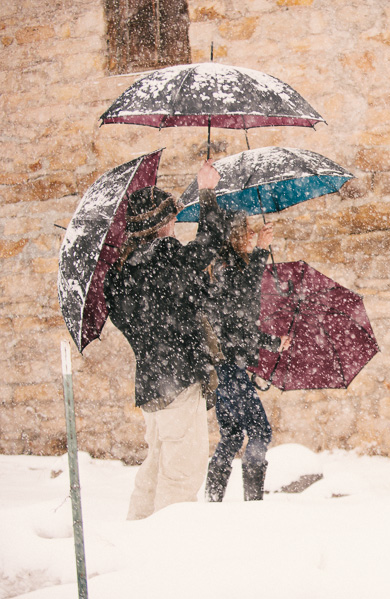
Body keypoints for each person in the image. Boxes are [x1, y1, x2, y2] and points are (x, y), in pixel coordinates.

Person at [104, 160, 225, 520]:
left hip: (152, 382)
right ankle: (165, 552)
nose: (174, 225)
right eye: (170, 218)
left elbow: (148, 317)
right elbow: (209, 244)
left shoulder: (119, 276)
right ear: (159, 224)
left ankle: (135, 536)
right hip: (178, 378)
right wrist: (207, 190)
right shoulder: (164, 258)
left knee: (156, 466)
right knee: (182, 471)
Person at [204, 211, 290, 502]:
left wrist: (273, 342)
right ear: (232, 236)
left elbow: (239, 325)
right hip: (231, 368)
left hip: (222, 368)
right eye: (247, 231)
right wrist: (262, 250)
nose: (252, 235)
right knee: (259, 431)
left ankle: (214, 500)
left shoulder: (220, 268)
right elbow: (241, 311)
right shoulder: (228, 269)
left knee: (230, 435)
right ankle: (252, 504)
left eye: (254, 231)